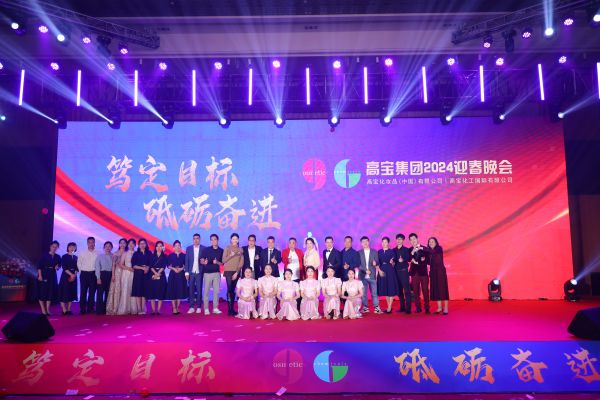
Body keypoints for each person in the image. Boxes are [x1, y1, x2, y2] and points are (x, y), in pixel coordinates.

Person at [112, 239, 140, 315]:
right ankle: (125, 308)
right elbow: (121, 264)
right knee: (126, 289)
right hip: (126, 273)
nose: (131, 245)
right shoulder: (125, 253)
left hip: (135, 273)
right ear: (128, 245)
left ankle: (134, 309)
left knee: (134, 290)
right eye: (129, 243)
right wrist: (129, 268)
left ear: (135, 245)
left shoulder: (137, 253)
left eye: (133, 243)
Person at [425, 237, 450, 315]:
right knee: (436, 289)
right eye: (429, 242)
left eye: (432, 241)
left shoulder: (438, 249)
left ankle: (446, 308)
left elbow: (433, 253)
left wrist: (422, 248)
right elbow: (429, 262)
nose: (431, 243)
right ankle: (439, 308)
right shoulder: (429, 252)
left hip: (440, 272)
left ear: (436, 242)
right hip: (433, 272)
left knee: (443, 289)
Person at [358, 236, 382, 314]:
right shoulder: (359, 253)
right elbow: (358, 264)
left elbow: (378, 262)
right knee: (363, 293)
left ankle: (377, 308)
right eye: (363, 242)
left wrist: (376, 263)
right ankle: (365, 308)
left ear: (368, 242)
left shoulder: (374, 252)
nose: (365, 243)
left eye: (366, 241)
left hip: (372, 275)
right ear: (361, 243)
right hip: (362, 276)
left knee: (374, 293)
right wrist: (365, 271)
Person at [201, 234, 224, 315]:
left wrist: (217, 262)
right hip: (207, 273)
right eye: (212, 240)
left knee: (216, 292)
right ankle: (206, 308)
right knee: (206, 291)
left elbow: (222, 263)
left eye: (215, 239)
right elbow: (201, 260)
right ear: (210, 241)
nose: (213, 241)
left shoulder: (221, 250)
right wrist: (204, 262)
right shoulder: (206, 250)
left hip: (217, 273)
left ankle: (215, 308)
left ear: (218, 240)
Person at [37, 240, 61, 315]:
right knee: (42, 292)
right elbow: (39, 266)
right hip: (44, 273)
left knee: (50, 292)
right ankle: (43, 310)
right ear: (50, 247)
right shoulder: (44, 255)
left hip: (52, 275)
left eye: (56, 247)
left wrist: (57, 267)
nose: (54, 248)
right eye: (53, 246)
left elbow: (59, 266)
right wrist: (40, 275)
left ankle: (47, 310)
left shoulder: (58, 256)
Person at [223, 233, 244, 316]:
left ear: (238, 240)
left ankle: (232, 309)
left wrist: (237, 272)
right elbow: (223, 260)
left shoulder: (240, 249)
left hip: (236, 271)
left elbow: (241, 262)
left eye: (236, 239)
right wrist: (230, 255)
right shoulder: (227, 248)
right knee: (229, 290)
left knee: (233, 290)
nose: (235, 240)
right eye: (233, 239)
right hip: (228, 271)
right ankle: (229, 310)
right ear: (231, 240)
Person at [377, 237, 399, 313]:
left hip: (390, 270)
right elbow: (377, 263)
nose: (384, 243)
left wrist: (392, 262)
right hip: (382, 270)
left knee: (390, 287)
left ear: (388, 243)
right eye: (383, 242)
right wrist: (379, 271)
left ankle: (389, 307)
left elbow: (394, 262)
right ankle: (388, 306)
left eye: (385, 242)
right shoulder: (379, 251)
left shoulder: (392, 251)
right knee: (385, 288)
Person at [409, 233, 430, 314]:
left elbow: (428, 259)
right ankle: (418, 307)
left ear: (417, 239)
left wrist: (421, 261)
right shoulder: (410, 250)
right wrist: (412, 253)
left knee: (425, 290)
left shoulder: (424, 248)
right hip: (414, 273)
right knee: (415, 291)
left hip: (423, 272)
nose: (413, 241)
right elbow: (408, 259)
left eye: (414, 239)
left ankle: (427, 307)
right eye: (411, 240)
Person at [105, 238, 127, 315]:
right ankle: (115, 308)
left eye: (124, 243)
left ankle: (123, 308)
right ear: (119, 244)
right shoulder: (116, 253)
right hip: (117, 273)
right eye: (121, 243)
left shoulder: (127, 253)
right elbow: (113, 265)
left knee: (124, 290)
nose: (122, 244)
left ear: (126, 244)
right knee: (116, 290)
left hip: (125, 273)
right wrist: (113, 275)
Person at [282, 237, 304, 310]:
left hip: (297, 275)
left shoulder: (299, 251)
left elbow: (303, 262)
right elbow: (283, 260)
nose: (291, 244)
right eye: (290, 243)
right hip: (288, 276)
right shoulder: (285, 251)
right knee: (288, 293)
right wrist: (288, 261)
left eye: (293, 243)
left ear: (295, 244)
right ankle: (288, 309)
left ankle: (297, 309)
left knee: (298, 293)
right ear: (288, 244)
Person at [77, 237, 98, 314]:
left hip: (93, 274)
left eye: (92, 242)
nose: (91, 244)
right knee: (83, 292)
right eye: (89, 242)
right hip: (84, 274)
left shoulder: (98, 253)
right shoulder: (82, 252)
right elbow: (79, 263)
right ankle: (82, 309)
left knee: (92, 292)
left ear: (94, 243)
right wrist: (81, 272)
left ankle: (90, 308)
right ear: (87, 243)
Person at [146, 241, 168, 315]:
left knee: (160, 292)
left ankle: (158, 310)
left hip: (161, 274)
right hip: (152, 274)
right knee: (152, 292)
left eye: (160, 246)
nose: (159, 247)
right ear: (155, 247)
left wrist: (158, 273)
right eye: (157, 246)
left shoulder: (165, 256)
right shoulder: (152, 256)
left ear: (162, 247)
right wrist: (155, 273)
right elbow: (150, 266)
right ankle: (153, 310)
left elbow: (164, 266)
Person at [185, 233, 204, 314]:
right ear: (193, 239)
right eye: (194, 238)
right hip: (191, 272)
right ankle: (191, 307)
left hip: (199, 272)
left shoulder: (203, 248)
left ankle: (199, 307)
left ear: (199, 239)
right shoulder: (189, 248)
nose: (196, 240)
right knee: (191, 290)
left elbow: (205, 260)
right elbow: (186, 261)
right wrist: (186, 272)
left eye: (197, 238)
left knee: (199, 290)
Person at [166, 240, 187, 315]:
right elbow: (168, 266)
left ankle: (177, 307)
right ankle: (174, 308)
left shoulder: (184, 255)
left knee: (179, 291)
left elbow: (186, 265)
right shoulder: (170, 255)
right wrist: (174, 269)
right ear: (173, 247)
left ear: (180, 247)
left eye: (179, 246)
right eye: (176, 246)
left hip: (181, 275)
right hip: (173, 275)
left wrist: (181, 269)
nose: (177, 247)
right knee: (173, 291)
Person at [131, 238, 151, 315]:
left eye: (144, 243)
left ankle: (143, 308)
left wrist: (148, 267)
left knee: (144, 292)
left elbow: (151, 263)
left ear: (146, 244)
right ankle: (139, 309)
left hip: (146, 274)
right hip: (138, 274)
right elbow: (134, 265)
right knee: (138, 292)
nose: (142, 245)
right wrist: (143, 268)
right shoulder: (136, 254)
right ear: (138, 245)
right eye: (141, 244)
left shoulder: (149, 253)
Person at [58, 242, 78, 315]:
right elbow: (64, 267)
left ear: (75, 248)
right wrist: (71, 275)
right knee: (64, 292)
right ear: (68, 248)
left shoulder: (76, 257)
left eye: (73, 247)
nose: (72, 248)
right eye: (70, 247)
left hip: (74, 276)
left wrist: (74, 275)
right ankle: (64, 309)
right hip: (66, 276)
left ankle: (69, 309)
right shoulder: (64, 256)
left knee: (71, 292)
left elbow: (77, 268)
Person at [94, 241, 114, 315]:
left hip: (111, 275)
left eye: (109, 246)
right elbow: (97, 267)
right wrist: (98, 278)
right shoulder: (100, 256)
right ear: (104, 248)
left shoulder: (114, 256)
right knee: (100, 293)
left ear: (112, 248)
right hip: (102, 275)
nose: (108, 248)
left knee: (108, 293)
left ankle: (106, 309)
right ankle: (99, 310)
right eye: (106, 246)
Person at [394, 234, 412, 314]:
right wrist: (392, 261)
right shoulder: (393, 250)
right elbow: (393, 259)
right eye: (397, 239)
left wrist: (403, 259)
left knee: (407, 290)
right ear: (396, 240)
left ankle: (408, 309)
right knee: (399, 291)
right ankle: (402, 307)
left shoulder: (406, 249)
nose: (399, 240)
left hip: (404, 272)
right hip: (396, 272)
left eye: (400, 239)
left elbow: (408, 258)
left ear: (403, 240)